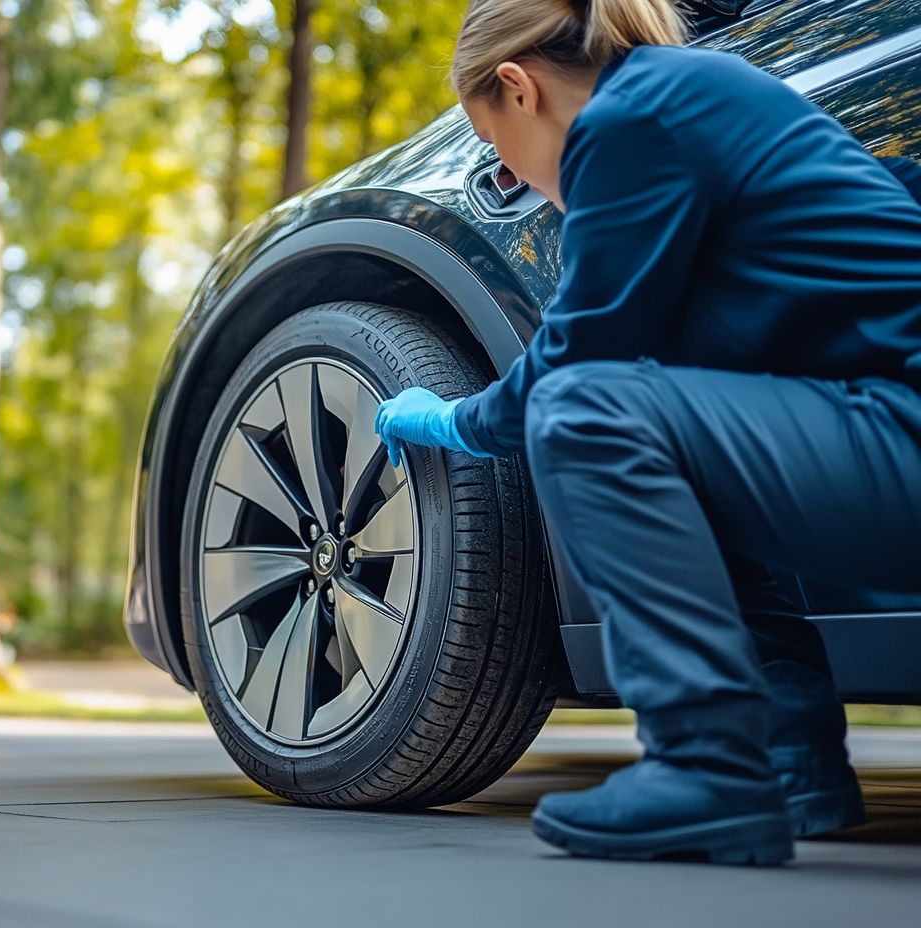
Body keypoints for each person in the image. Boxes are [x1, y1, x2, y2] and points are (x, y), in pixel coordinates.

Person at [373, 0, 921, 865]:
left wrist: (454, 420)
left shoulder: (634, 119)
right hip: (887, 436)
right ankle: (791, 768)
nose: (509, 177)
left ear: (518, 90)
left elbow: (576, 360)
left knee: (581, 411)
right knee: (680, 443)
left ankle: (707, 768)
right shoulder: (685, 98)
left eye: (496, 156)